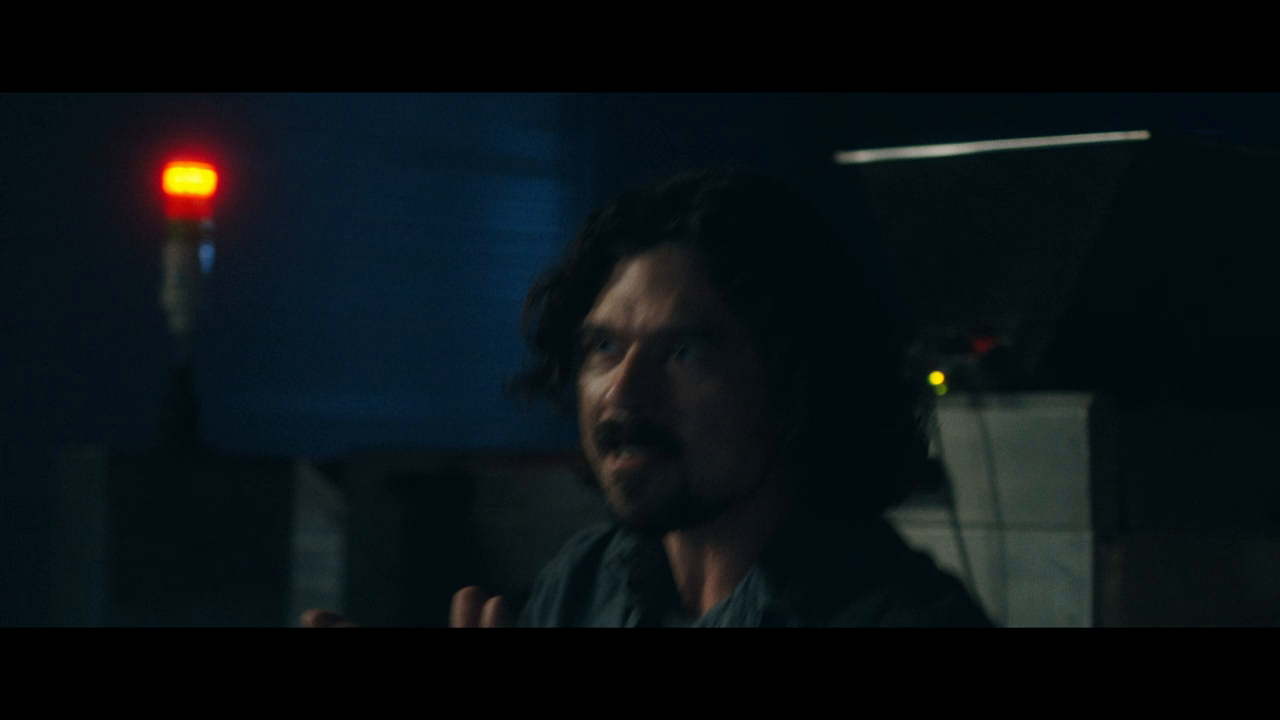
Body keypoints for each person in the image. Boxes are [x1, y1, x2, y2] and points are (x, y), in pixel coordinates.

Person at [306, 170, 992, 628]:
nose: (623, 391)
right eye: (604, 348)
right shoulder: (587, 581)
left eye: (685, 352)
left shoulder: (900, 617)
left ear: (795, 383)